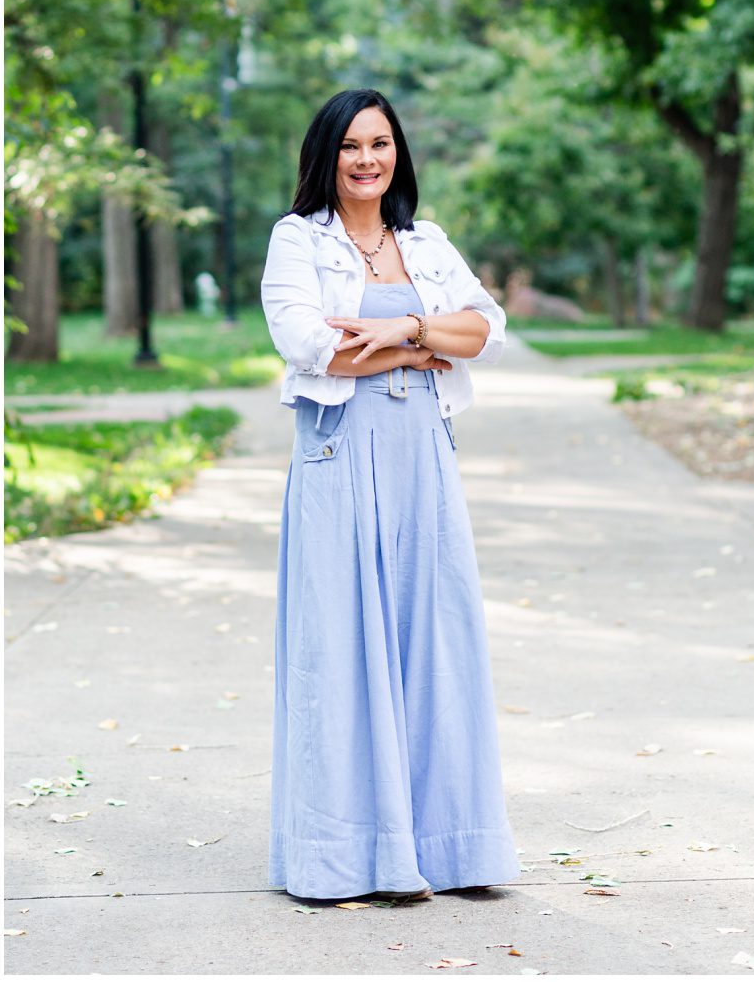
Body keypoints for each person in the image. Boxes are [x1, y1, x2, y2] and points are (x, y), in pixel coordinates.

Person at [261, 87, 518, 902]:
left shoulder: (427, 242)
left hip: (425, 462)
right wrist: (422, 347)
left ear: (396, 151)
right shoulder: (297, 241)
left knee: (436, 648)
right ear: (325, 158)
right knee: (340, 652)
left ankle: (450, 850)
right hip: (340, 460)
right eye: (350, 147)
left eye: (380, 143)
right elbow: (311, 348)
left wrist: (403, 331)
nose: (367, 159)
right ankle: (343, 859)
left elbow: (485, 329)